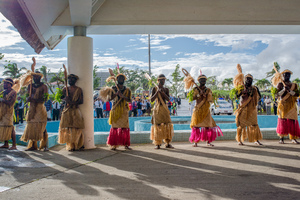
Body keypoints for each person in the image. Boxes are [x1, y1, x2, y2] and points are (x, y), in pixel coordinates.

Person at [186, 73, 223, 147]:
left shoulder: (208, 90)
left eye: (204, 80)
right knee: (196, 126)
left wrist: (207, 96)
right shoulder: (195, 89)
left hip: (206, 110)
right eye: (201, 80)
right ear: (199, 81)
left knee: (208, 126)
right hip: (198, 109)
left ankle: (208, 142)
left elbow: (211, 100)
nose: (203, 81)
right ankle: (195, 142)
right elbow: (192, 98)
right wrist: (199, 94)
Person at [100, 72, 132, 150]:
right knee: (115, 127)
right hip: (115, 109)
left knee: (125, 127)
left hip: (124, 110)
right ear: (117, 79)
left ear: (124, 80)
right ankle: (113, 144)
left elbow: (130, 100)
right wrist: (116, 94)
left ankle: (126, 144)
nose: (121, 79)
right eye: (119, 78)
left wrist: (123, 96)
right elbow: (109, 99)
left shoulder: (127, 90)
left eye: (122, 78)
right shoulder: (113, 88)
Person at [21, 71, 49, 151]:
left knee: (42, 125)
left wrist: (34, 99)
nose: (35, 78)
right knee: (31, 125)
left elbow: (45, 99)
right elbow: (27, 97)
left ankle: (44, 145)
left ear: (40, 78)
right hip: (32, 108)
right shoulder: (30, 86)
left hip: (40, 108)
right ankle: (33, 145)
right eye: (34, 77)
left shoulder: (44, 86)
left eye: (37, 77)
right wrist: (28, 99)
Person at [58, 74, 84, 151]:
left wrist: (71, 102)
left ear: (75, 81)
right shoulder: (64, 89)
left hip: (75, 110)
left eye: (72, 79)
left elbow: (81, 101)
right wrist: (64, 98)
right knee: (67, 127)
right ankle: (70, 144)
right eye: (69, 79)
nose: (70, 81)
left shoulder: (79, 90)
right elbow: (61, 98)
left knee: (77, 126)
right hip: (67, 110)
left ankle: (77, 143)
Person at [235, 74, 263, 145]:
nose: (248, 80)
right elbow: (236, 95)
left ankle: (256, 139)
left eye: (250, 79)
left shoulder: (255, 88)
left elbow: (259, 96)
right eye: (247, 79)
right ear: (244, 79)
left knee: (254, 124)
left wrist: (253, 95)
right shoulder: (241, 87)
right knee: (241, 125)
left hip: (252, 109)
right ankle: (239, 140)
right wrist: (242, 92)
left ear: (252, 80)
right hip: (243, 108)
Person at [276, 69, 300, 144]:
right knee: (282, 121)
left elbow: (297, 94)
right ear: (282, 75)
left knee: (293, 120)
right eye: (285, 75)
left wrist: (290, 91)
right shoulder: (280, 84)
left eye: (288, 75)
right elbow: (277, 95)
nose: (287, 76)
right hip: (283, 105)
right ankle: (281, 138)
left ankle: (293, 137)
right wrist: (283, 90)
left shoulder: (294, 85)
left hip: (292, 105)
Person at [150, 74, 174, 149]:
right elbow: (151, 100)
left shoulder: (166, 89)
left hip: (164, 109)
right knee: (157, 125)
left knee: (167, 124)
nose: (163, 81)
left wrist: (163, 93)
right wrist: (157, 93)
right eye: (162, 80)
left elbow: (168, 99)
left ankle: (167, 142)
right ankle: (158, 143)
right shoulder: (154, 88)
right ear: (158, 80)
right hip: (157, 108)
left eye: (164, 80)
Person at [0, 78, 17, 150]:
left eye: (5, 83)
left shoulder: (13, 92)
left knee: (10, 127)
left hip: (9, 112)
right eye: (4, 83)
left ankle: (14, 145)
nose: (4, 85)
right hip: (2, 111)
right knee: (3, 126)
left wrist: (3, 100)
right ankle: (6, 144)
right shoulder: (3, 92)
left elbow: (10, 103)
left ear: (10, 84)